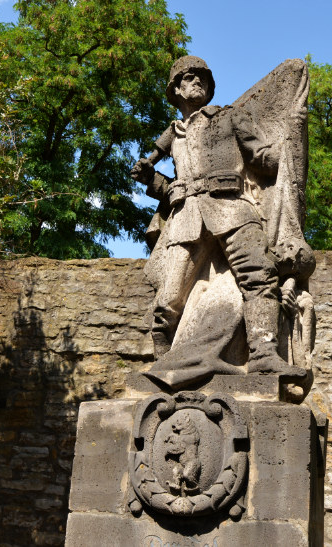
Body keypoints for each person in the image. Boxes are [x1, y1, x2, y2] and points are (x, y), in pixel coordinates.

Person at [131, 55, 306, 380]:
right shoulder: (175, 136)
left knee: (259, 276)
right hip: (186, 219)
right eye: (189, 76)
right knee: (167, 300)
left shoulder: (229, 118)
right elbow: (174, 189)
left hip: (232, 209)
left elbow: (262, 158)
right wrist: (150, 181)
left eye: (203, 78)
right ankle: (162, 365)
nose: (197, 80)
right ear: (176, 88)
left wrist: (289, 144)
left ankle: (263, 355)